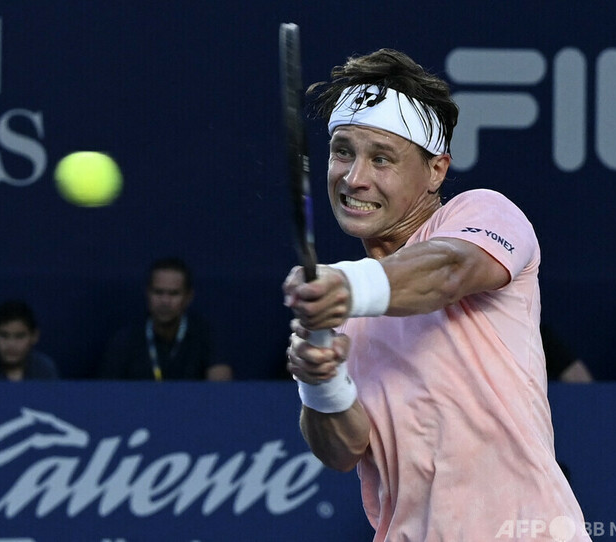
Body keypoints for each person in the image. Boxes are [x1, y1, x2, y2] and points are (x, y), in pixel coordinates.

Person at [282, 49, 590, 540]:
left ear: (436, 171)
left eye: (381, 158)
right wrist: (319, 381)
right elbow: (342, 452)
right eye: (343, 152)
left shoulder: (484, 213)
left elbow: (448, 269)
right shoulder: (344, 308)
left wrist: (346, 286)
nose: (354, 178)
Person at [98, 257, 232, 381]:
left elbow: (221, 390)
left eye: (174, 293)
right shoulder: (125, 340)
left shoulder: (207, 336)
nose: (165, 301)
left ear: (188, 297)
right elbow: (108, 391)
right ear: (147, 293)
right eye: (158, 292)